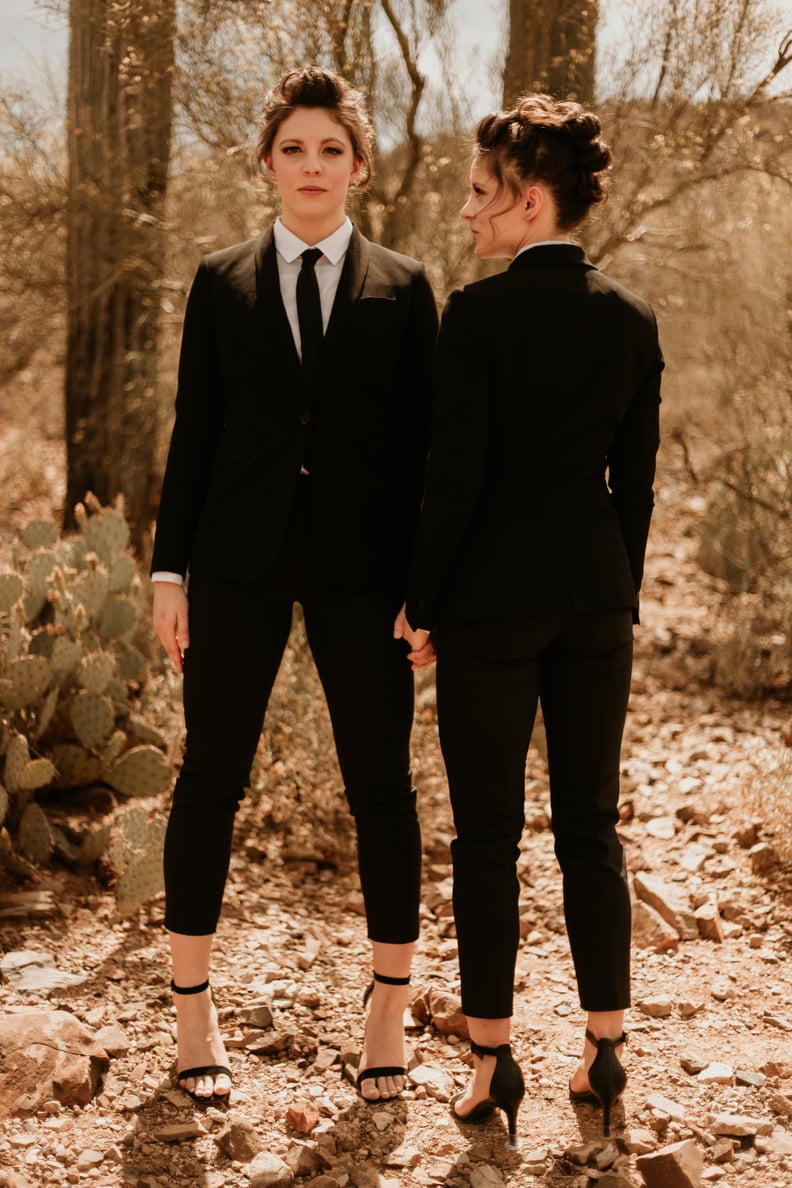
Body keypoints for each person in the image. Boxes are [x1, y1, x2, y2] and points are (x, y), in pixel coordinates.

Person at [151, 66, 438, 1105]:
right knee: (210, 780)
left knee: (382, 789)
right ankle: (193, 1016)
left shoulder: (406, 288)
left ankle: (389, 1011)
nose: (311, 168)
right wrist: (167, 568)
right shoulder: (218, 278)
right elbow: (196, 432)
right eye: (292, 149)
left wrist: (427, 587)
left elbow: (423, 453)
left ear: (358, 166)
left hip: (368, 572)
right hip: (236, 560)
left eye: (330, 150)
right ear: (267, 164)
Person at [396, 94, 663, 1144]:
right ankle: (605, 1055)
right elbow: (633, 488)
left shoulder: (478, 315)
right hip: (597, 597)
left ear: (530, 198)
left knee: (488, 837)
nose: (468, 213)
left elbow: (450, 480)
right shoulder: (633, 317)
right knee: (592, 827)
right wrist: (616, 589)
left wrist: (421, 598)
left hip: (490, 607)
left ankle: (492, 1067)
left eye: (478, 193)